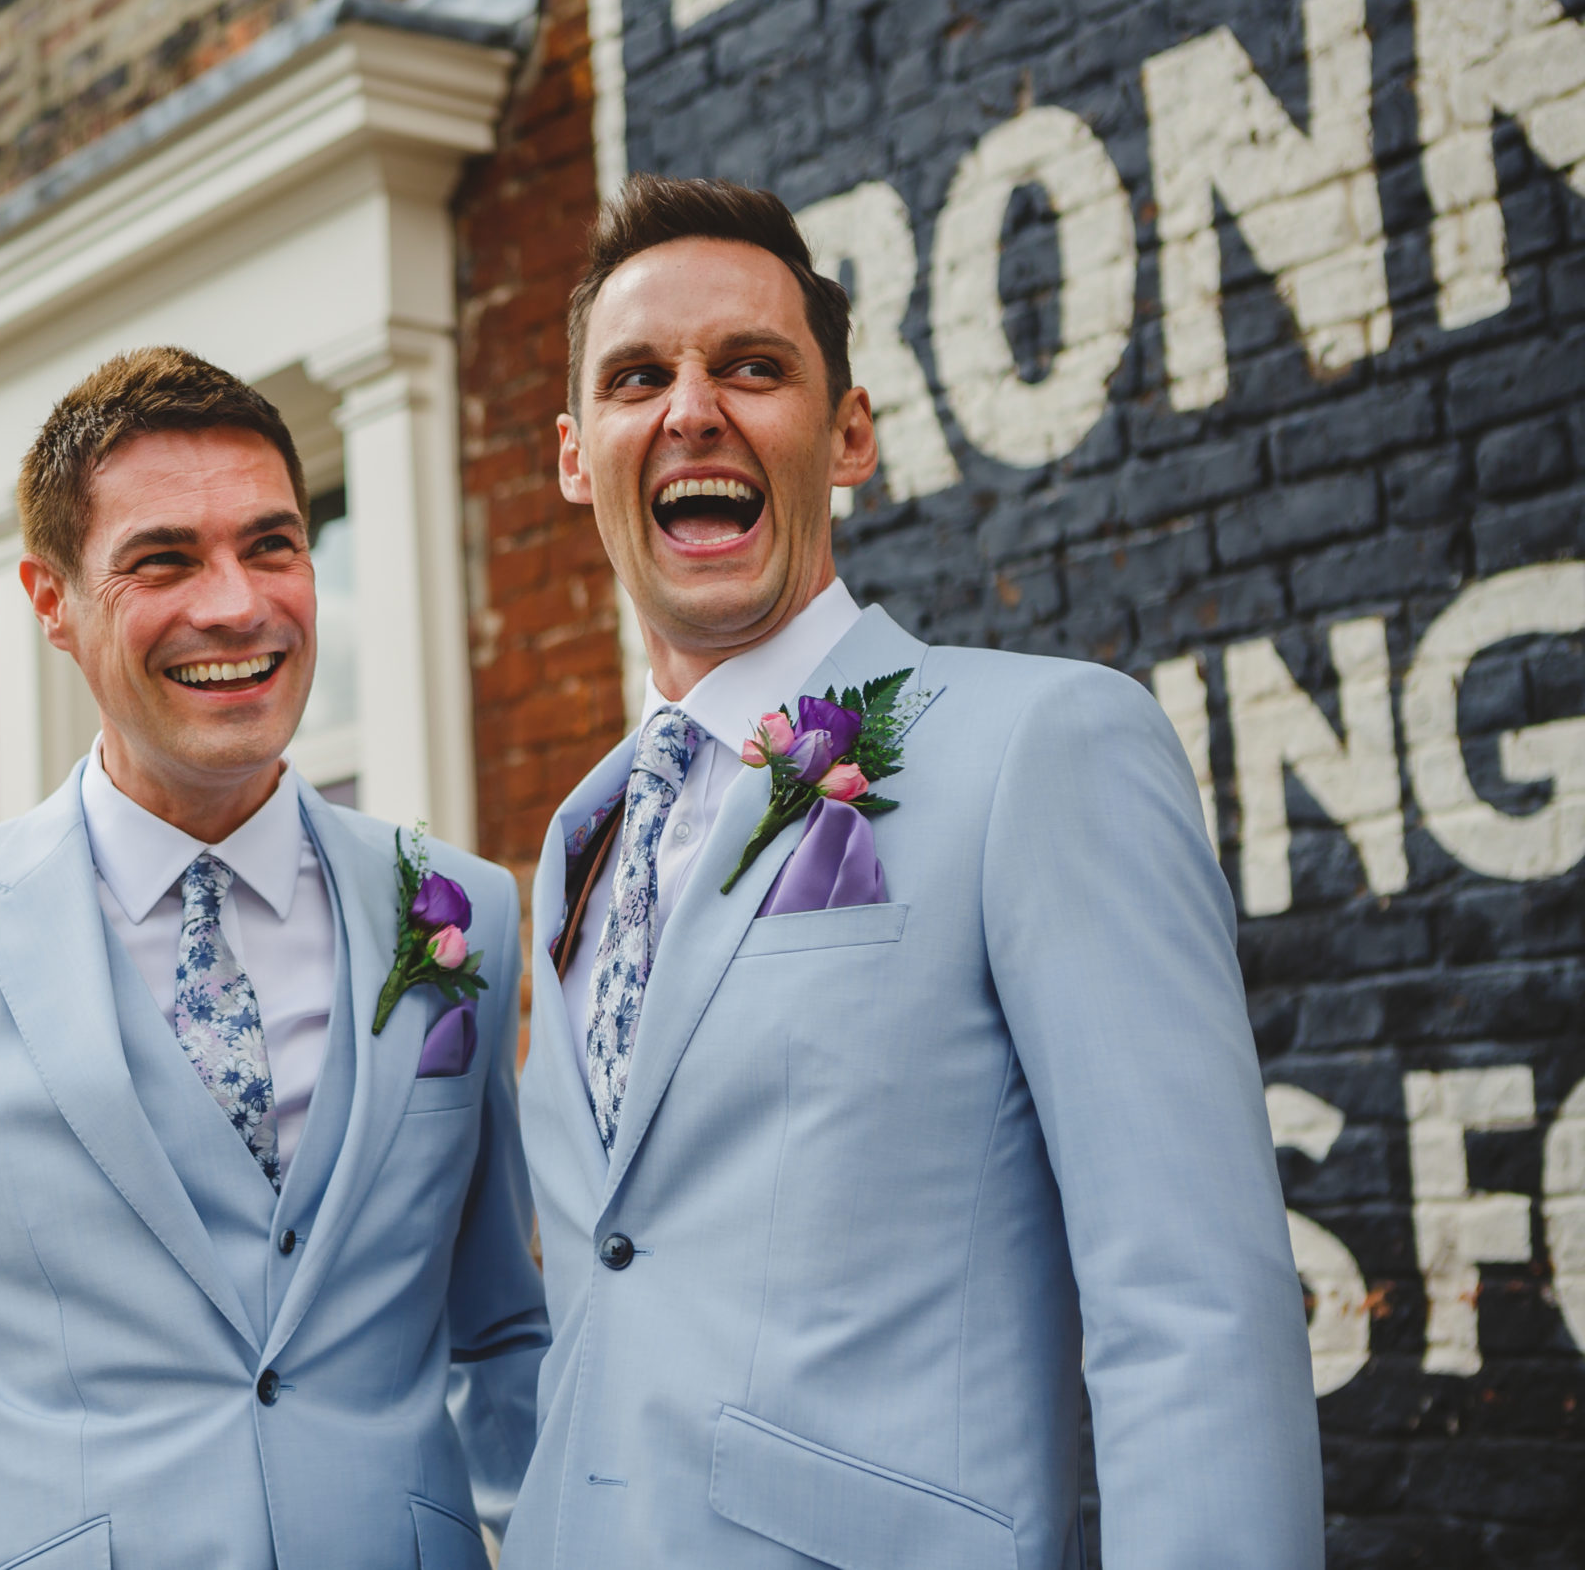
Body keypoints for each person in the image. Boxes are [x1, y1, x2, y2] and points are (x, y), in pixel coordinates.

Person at [499, 178, 1321, 1569]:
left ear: (850, 433)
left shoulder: (1039, 747)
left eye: (751, 367)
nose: (692, 407)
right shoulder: (577, 843)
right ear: (580, 457)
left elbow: (1190, 1306)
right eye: (640, 376)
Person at [0, 346, 545, 1570]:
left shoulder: (459, 913)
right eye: (163, 559)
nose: (235, 604)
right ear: (51, 601)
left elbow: (510, 1334)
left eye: (272, 544)